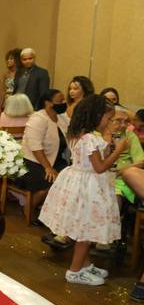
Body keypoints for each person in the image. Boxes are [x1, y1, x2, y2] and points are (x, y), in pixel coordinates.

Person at [38, 95, 128, 286]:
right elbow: (100, 167)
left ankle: (84, 265)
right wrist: (118, 151)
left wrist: (108, 144)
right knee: (85, 232)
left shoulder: (83, 135)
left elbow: (96, 160)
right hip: (89, 187)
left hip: (83, 183)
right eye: (108, 119)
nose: (109, 123)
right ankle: (75, 271)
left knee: (85, 228)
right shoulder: (89, 139)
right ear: (96, 116)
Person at [16, 89, 69, 224]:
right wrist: (48, 167)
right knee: (49, 181)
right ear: (48, 103)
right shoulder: (38, 119)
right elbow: (35, 146)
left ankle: (52, 213)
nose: (64, 103)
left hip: (56, 159)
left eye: (64, 100)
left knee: (69, 180)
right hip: (32, 161)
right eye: (60, 101)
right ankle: (29, 208)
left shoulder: (62, 118)